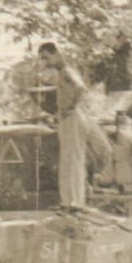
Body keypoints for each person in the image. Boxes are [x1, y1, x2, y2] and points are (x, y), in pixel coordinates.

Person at [40, 42, 90, 208]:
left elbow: (81, 88)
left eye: (47, 57)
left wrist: (71, 106)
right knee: (67, 160)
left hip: (73, 117)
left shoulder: (67, 71)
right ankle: (68, 201)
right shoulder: (61, 73)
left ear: (56, 53)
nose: (45, 62)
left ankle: (76, 202)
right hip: (65, 118)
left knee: (74, 160)